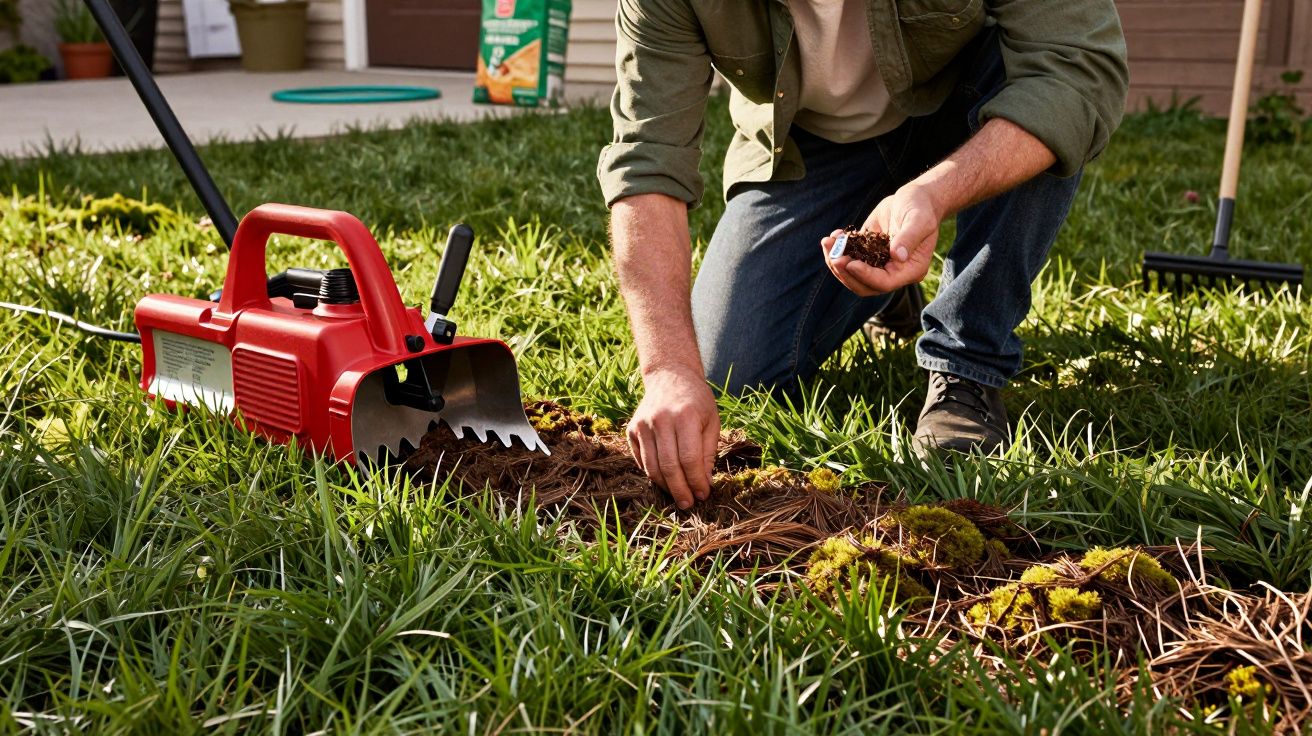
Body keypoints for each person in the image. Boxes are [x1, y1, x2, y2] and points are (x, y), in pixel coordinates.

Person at [598, 0, 1129, 508]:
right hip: (815, 144)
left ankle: (968, 363)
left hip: (974, 100)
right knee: (732, 370)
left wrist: (934, 193)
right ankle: (882, 282)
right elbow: (647, 162)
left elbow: (1074, 73)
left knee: (1041, 99)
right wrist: (668, 369)